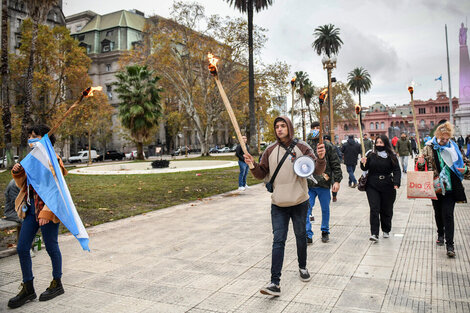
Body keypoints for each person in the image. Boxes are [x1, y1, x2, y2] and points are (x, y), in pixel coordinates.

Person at [243, 116, 325, 297]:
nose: (279, 129)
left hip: (299, 202)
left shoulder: (302, 147)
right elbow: (261, 173)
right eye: (276, 126)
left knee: (300, 236)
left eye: (282, 126)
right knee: (278, 241)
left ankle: (303, 267)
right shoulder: (270, 150)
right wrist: (252, 166)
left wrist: (320, 158)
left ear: (289, 127)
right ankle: (275, 282)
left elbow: (317, 170)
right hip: (278, 204)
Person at [8, 125, 66, 309]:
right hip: (31, 209)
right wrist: (18, 171)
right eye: (30, 136)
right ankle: (28, 287)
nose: (31, 139)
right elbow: (24, 184)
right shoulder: (30, 159)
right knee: (22, 247)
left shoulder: (53, 159)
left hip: (47, 210)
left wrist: (46, 213)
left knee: (51, 246)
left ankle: (57, 283)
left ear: (46, 139)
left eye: (36, 136)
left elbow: (57, 189)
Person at [416, 122, 469, 257]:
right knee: (438, 212)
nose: (444, 142)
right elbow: (421, 168)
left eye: (447, 139)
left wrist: (466, 169)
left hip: (451, 188)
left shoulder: (454, 147)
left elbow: (465, 164)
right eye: (442, 139)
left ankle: (450, 245)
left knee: (448, 215)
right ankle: (440, 232)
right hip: (435, 187)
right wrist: (420, 162)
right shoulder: (428, 148)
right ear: (437, 136)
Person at [306, 122, 342, 243]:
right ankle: (308, 233)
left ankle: (325, 230)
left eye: (318, 128)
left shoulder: (328, 146)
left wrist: (336, 180)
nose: (316, 130)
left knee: (325, 209)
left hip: (324, 183)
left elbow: (335, 164)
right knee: (307, 209)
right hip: (309, 184)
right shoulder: (306, 146)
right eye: (313, 128)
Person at [360, 135, 401, 242]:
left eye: (381, 143)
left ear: (385, 144)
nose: (379, 145)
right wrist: (363, 162)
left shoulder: (391, 156)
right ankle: (374, 233)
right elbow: (365, 168)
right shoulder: (371, 155)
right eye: (377, 143)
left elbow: (396, 170)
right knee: (374, 209)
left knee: (386, 209)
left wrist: (396, 182)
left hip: (388, 185)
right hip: (372, 185)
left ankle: (386, 229)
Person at [324, 135, 342, 202]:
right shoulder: (322, 146)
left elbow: (339, 156)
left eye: (327, 140)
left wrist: (338, 163)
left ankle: (334, 195)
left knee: (334, 182)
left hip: (333, 169)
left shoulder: (333, 147)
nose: (326, 142)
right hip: (326, 170)